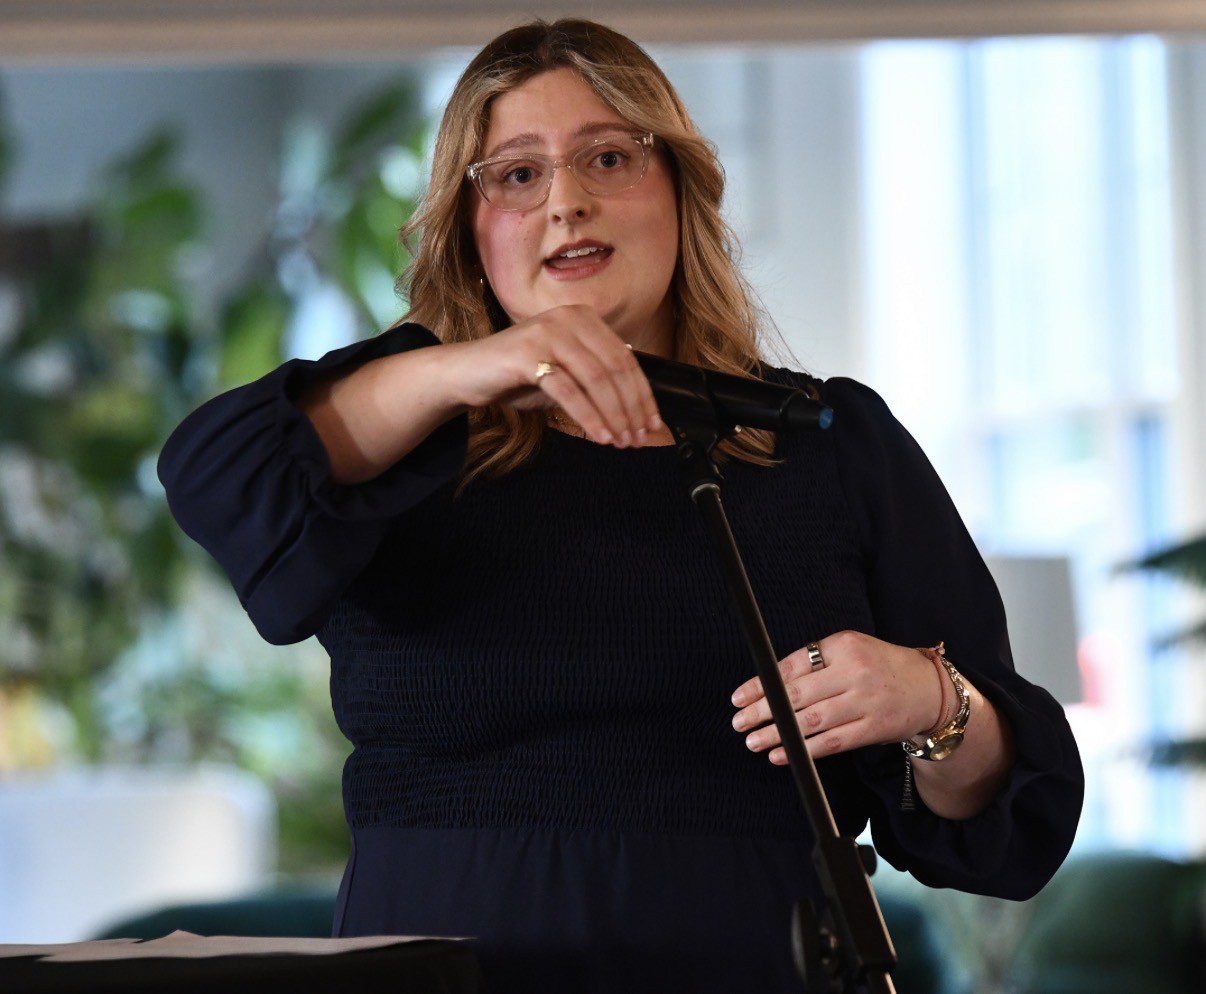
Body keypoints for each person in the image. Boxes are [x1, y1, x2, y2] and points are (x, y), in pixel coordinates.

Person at [157, 17, 1084, 994]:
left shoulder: (828, 440)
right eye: (518, 174)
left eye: (608, 157)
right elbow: (217, 475)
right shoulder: (404, 441)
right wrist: (463, 368)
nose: (567, 202)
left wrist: (933, 700)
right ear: (469, 225)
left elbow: (1006, 830)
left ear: (680, 188)